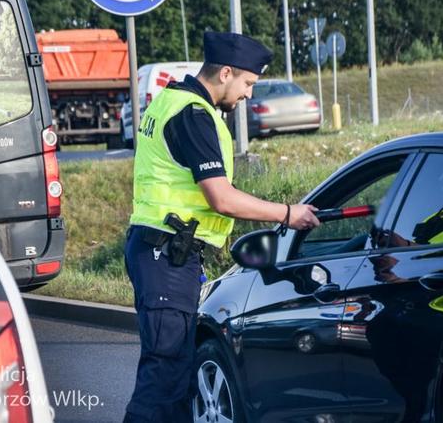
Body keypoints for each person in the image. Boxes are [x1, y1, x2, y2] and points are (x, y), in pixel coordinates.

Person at [123, 31, 320, 423]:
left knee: (176, 377)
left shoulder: (168, 99)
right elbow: (221, 198)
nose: (248, 95)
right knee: (163, 380)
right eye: (247, 83)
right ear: (226, 73)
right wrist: (286, 213)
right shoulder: (194, 115)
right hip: (167, 256)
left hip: (159, 250)